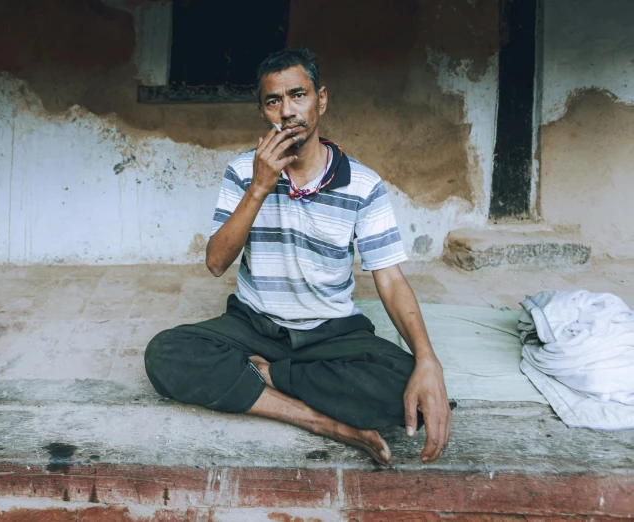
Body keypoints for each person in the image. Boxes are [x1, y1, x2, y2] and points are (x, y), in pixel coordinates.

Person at [144, 47, 452, 466]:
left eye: (298, 95)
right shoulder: (242, 171)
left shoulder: (363, 185)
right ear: (262, 111)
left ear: (320, 100)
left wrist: (428, 360)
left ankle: (265, 376)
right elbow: (216, 263)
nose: (287, 111)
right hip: (254, 325)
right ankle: (324, 421)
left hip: (331, 332)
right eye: (274, 101)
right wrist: (260, 185)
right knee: (166, 353)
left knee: (405, 385)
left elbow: (391, 279)